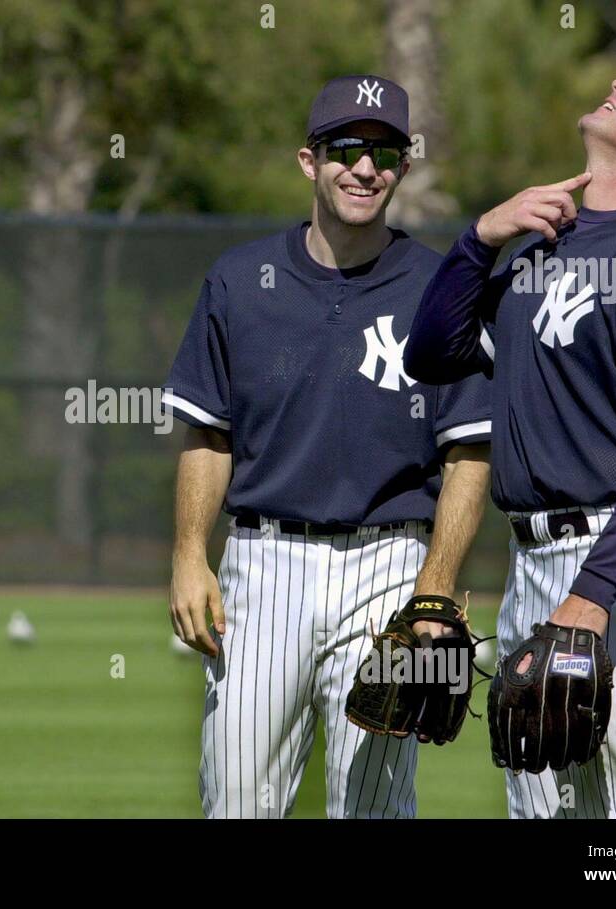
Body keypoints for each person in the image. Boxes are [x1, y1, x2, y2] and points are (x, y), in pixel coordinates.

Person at [405, 37, 616, 817]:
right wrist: (479, 240)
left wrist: (591, 596)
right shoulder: (544, 245)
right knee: (542, 807)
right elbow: (434, 351)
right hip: (535, 558)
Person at [163, 75, 492, 818]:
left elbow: (467, 453)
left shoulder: (440, 286)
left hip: (388, 566)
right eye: (345, 148)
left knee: (374, 805)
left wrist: (435, 587)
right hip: (263, 564)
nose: (365, 167)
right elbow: (208, 433)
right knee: (237, 799)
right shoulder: (240, 280)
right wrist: (189, 554)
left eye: (384, 151)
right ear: (308, 161)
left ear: (404, 167)